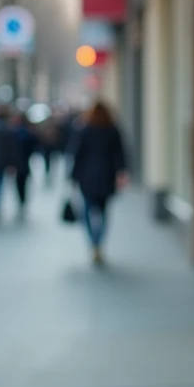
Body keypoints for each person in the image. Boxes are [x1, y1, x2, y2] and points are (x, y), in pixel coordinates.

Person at [68, 101, 127, 265]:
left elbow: (76, 153)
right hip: (107, 175)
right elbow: (120, 153)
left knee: (87, 209)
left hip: (87, 176)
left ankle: (93, 242)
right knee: (104, 211)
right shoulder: (112, 130)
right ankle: (99, 241)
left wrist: (72, 176)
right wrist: (121, 172)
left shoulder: (84, 129)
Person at [9, 112, 38, 221]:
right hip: (24, 162)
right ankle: (22, 201)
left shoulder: (16, 132)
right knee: (22, 184)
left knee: (20, 184)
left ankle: (22, 201)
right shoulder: (28, 132)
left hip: (19, 163)